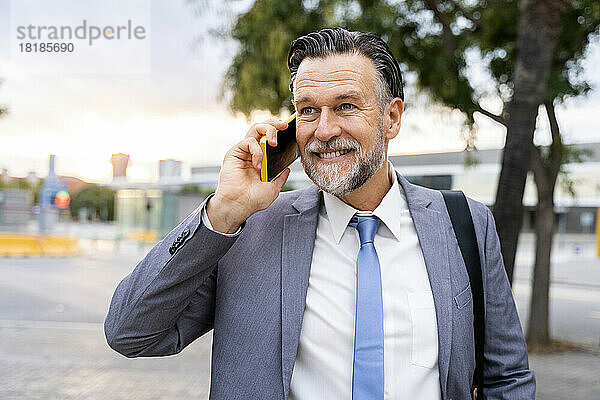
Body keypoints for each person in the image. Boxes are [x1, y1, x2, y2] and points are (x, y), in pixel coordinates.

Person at [105, 28, 535, 400]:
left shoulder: (465, 224)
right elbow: (129, 332)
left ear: (391, 117)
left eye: (346, 106)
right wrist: (222, 212)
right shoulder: (250, 230)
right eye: (308, 110)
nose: (324, 130)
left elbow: (507, 376)